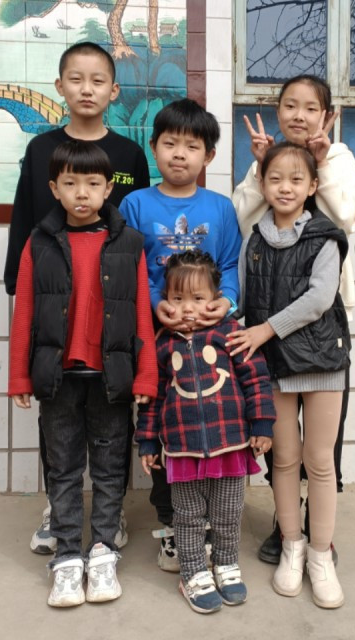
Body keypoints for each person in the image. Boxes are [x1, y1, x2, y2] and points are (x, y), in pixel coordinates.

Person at [4, 41, 150, 556]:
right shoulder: (41, 149)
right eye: (76, 78)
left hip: (112, 307)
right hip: (51, 299)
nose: (86, 89)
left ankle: (111, 514)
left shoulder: (130, 155)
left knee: (113, 415)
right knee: (57, 413)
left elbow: (135, 225)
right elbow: (25, 219)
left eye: (97, 80)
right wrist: (18, 283)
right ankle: (58, 508)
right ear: (60, 86)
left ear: (114, 90)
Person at [8, 140, 157, 607]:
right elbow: (24, 312)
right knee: (64, 469)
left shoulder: (129, 243)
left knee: (111, 470)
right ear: (54, 188)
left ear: (109, 189)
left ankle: (103, 551)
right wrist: (19, 377)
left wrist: (146, 377)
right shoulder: (39, 242)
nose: (81, 193)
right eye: (70, 183)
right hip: (58, 377)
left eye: (93, 184)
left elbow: (142, 315)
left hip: (111, 377)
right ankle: (68, 558)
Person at [231, 74, 355, 563]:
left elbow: (347, 219)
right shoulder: (267, 161)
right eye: (290, 105)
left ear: (327, 115)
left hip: (321, 314)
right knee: (280, 436)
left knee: (324, 442)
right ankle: (285, 524)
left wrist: (322, 164)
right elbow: (243, 219)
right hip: (270, 313)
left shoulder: (340, 157)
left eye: (311, 107)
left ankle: (316, 529)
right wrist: (258, 166)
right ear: (278, 110)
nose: (299, 115)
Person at [119, 99, 242, 572]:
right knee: (166, 428)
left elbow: (230, 266)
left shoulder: (221, 208)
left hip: (211, 341)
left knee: (210, 425)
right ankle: (172, 524)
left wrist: (224, 304)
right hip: (158, 338)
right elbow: (129, 267)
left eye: (191, 146)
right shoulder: (135, 204)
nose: (179, 154)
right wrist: (158, 305)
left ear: (208, 156)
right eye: (169, 143)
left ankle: (210, 523)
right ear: (153, 147)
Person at [227, 141, 349, 609]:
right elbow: (241, 299)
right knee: (283, 460)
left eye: (297, 179)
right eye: (275, 178)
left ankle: (320, 556)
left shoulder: (326, 237)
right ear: (262, 184)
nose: (285, 187)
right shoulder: (253, 240)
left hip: (321, 363)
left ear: (313, 186)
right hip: (272, 365)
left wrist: (264, 330)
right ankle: (292, 548)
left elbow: (319, 299)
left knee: (319, 462)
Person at [136, 250, 275, 613]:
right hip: (182, 450)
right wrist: (147, 440)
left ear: (216, 298)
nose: (187, 308)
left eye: (198, 298)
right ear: (165, 300)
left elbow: (256, 380)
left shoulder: (231, 334)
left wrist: (262, 424)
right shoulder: (162, 343)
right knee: (188, 518)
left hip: (230, 444)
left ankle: (226, 565)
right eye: (177, 298)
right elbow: (152, 398)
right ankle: (194, 573)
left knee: (228, 514)